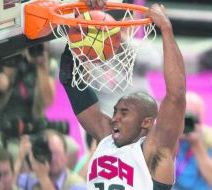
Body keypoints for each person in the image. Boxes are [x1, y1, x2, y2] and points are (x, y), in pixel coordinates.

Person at [59, 3, 186, 190]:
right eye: (115, 111)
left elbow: (177, 95)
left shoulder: (155, 151)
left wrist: (166, 29)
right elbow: (69, 79)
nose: (114, 117)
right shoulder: (105, 136)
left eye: (124, 113)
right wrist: (84, 18)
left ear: (146, 122)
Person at [173, 91, 212, 190]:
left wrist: (196, 144)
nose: (188, 122)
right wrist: (172, 137)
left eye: (193, 117)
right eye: (184, 116)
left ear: (202, 117)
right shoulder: (166, 133)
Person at [15, 130, 87, 190]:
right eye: (48, 153)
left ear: (66, 156)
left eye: (57, 153)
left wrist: (44, 179)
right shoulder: (29, 180)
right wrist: (20, 158)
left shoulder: (77, 185)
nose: (52, 158)